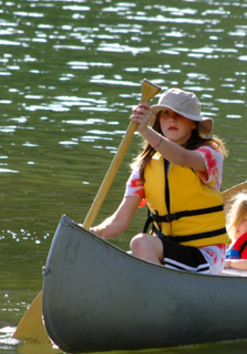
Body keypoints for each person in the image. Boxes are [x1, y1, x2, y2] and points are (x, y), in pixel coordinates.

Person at [89, 88, 229, 274]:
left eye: (179, 114)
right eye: (165, 113)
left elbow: (182, 159)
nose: (172, 119)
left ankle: (157, 296)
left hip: (205, 256)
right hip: (167, 253)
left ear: (194, 124)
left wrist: (145, 131)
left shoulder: (210, 154)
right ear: (159, 120)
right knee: (132, 251)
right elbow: (120, 220)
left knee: (140, 242)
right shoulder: (144, 167)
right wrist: (93, 233)